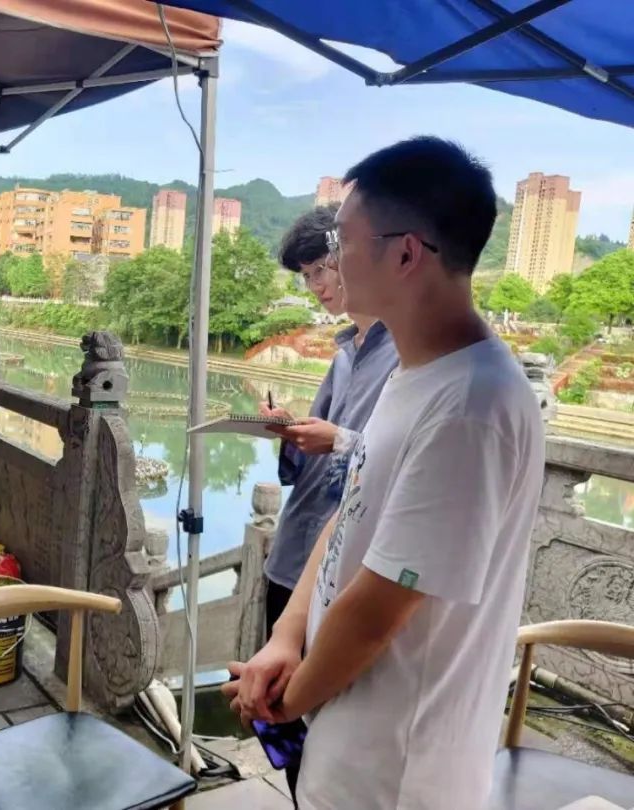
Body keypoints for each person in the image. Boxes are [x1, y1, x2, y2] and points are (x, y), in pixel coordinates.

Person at [225, 137, 545, 810]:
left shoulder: (472, 406)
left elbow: (379, 609)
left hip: (398, 772)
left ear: (404, 254)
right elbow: (353, 510)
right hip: (352, 744)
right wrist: (286, 637)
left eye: (343, 241)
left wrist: (285, 699)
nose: (333, 262)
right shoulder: (419, 373)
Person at [256, 205, 398, 802]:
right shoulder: (345, 354)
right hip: (294, 551)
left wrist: (336, 439)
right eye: (306, 276)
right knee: (281, 711)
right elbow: (311, 459)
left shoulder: (406, 355)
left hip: (345, 565)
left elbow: (399, 464)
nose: (316, 286)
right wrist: (288, 431)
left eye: (322, 269)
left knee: (328, 719)